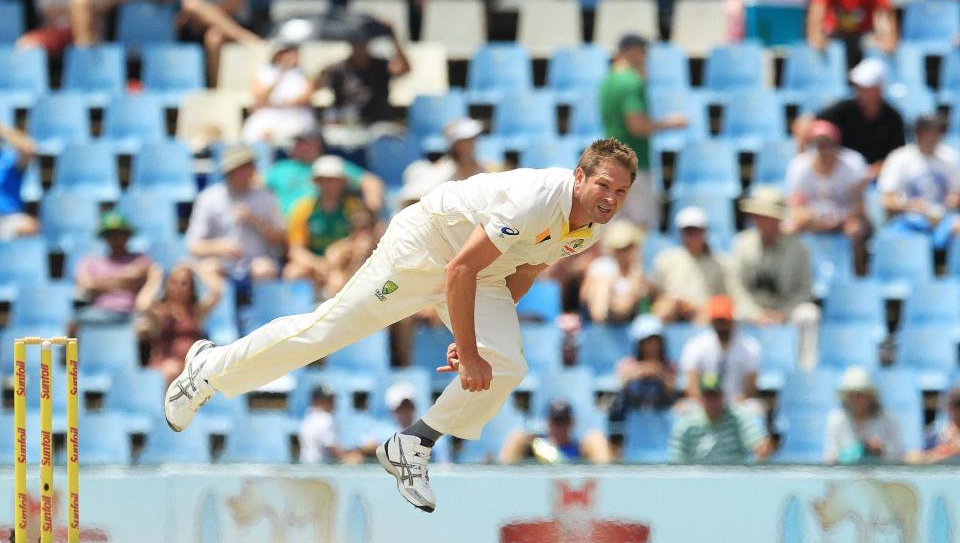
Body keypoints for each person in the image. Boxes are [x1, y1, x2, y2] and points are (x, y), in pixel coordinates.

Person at [163, 139, 638, 513]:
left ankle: (412, 443)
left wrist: (474, 338)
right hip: (424, 249)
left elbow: (524, 274)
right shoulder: (536, 200)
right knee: (324, 332)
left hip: (480, 269)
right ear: (579, 177)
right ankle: (207, 369)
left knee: (508, 364)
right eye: (603, 186)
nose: (610, 199)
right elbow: (457, 270)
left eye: (620, 192)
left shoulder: (589, 229)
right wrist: (468, 350)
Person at [599, 34, 687, 230]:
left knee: (614, 228)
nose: (646, 58)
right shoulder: (632, 82)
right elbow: (637, 125)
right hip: (634, 165)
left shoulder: (607, 81)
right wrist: (669, 123)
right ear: (632, 51)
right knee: (642, 227)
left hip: (611, 163)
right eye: (643, 52)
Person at [728, 187, 821, 370]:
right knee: (733, 315)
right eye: (759, 216)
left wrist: (783, 313)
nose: (762, 221)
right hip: (752, 309)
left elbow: (805, 290)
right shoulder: (741, 244)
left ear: (778, 219)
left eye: (768, 216)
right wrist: (757, 314)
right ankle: (740, 369)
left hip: (785, 309)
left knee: (809, 314)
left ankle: (806, 370)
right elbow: (735, 287)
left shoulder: (799, 248)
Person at [186, 145, 286, 285]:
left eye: (249, 166)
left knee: (265, 269)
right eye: (242, 167)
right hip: (221, 262)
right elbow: (194, 246)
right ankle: (218, 307)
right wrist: (221, 247)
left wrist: (255, 221)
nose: (248, 171)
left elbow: (281, 240)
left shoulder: (267, 197)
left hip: (256, 261)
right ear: (230, 171)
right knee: (209, 269)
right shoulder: (208, 198)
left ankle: (264, 306)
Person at [785, 119, 871, 274]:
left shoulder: (853, 163)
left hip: (844, 220)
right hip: (812, 221)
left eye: (827, 144)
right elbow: (796, 208)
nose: (823, 149)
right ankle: (796, 275)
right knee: (789, 229)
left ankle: (857, 276)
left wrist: (839, 220)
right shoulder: (799, 166)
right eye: (818, 144)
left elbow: (860, 206)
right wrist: (816, 220)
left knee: (855, 230)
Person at [795, 58, 905, 177]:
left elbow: (897, 158)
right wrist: (802, 160)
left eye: (865, 87)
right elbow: (804, 123)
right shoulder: (843, 109)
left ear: (878, 89)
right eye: (858, 86)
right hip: (843, 178)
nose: (859, 91)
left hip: (879, 179)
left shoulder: (893, 118)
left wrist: (872, 172)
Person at [283, 155, 366, 293]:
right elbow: (296, 249)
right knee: (293, 273)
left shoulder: (353, 208)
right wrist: (318, 264)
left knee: (337, 281)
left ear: (342, 182)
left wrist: (337, 254)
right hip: (314, 264)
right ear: (317, 182)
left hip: (344, 264)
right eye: (323, 180)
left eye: (333, 180)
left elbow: (361, 241)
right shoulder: (303, 208)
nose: (327, 185)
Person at [878, 114, 960, 249]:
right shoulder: (899, 158)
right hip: (908, 220)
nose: (934, 135)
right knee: (892, 238)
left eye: (938, 130)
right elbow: (887, 201)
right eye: (929, 130)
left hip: (943, 219)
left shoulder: (951, 157)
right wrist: (911, 206)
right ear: (918, 132)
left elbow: (956, 193)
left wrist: (953, 199)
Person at [265, 129, 384, 219]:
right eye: (297, 142)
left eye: (303, 142)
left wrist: (372, 214)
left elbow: (371, 182)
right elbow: (256, 184)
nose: (298, 146)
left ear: (317, 144)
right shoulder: (281, 168)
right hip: (287, 228)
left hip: (327, 224)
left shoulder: (332, 165)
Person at [137, 262, 224, 384]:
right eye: (173, 282)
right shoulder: (161, 312)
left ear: (191, 289)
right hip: (165, 367)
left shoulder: (196, 313)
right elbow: (142, 305)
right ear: (167, 285)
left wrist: (196, 268)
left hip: (191, 369)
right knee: (172, 370)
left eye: (184, 283)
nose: (178, 287)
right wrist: (155, 278)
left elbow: (217, 292)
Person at [74, 212, 162, 327]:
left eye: (120, 234)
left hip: (131, 315)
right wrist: (124, 281)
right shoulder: (91, 262)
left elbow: (141, 274)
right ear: (104, 237)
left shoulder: (140, 258)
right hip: (98, 314)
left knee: (147, 325)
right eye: (111, 235)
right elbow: (87, 286)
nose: (116, 239)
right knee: (74, 325)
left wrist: (101, 285)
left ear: (128, 236)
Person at [668, 372, 772, 464]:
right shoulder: (685, 425)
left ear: (723, 396)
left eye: (715, 395)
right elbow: (677, 460)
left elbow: (760, 447)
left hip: (734, 479)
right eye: (708, 396)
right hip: (697, 481)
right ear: (700, 398)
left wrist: (762, 449)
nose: (712, 401)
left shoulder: (740, 418)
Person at [319, 25, 410, 126]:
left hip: (378, 124)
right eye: (356, 43)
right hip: (349, 124)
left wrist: (392, 36)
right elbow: (318, 82)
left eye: (362, 43)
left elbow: (404, 68)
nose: (359, 48)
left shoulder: (381, 66)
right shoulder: (339, 68)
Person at [679, 295, 761, 408]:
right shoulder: (696, 346)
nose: (721, 325)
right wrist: (708, 405)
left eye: (724, 320)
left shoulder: (750, 347)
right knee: (683, 408)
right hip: (705, 403)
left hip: (737, 404)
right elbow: (692, 384)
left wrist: (738, 401)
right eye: (717, 321)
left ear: (732, 320)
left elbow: (750, 387)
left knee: (754, 408)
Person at [650, 207, 727, 323]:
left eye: (696, 231)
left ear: (704, 232)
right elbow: (654, 293)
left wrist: (696, 307)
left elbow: (725, 298)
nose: (692, 236)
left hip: (704, 312)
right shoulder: (666, 259)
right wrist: (673, 302)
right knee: (662, 310)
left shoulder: (720, 263)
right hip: (673, 309)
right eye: (688, 231)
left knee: (708, 316)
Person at [398, 118, 491, 207]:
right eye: (466, 140)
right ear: (455, 144)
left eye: (473, 138)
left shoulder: (486, 168)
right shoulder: (441, 171)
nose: (472, 142)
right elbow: (409, 199)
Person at [241, 43, 318, 148]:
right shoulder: (263, 71)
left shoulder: (304, 73)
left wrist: (281, 104)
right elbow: (260, 97)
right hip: (269, 116)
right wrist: (280, 74)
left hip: (295, 116)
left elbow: (307, 97)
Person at [824, 366, 903, 464]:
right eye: (853, 394)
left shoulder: (888, 418)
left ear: (870, 396)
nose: (857, 399)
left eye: (861, 394)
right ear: (846, 397)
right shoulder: (836, 419)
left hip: (880, 476)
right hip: (845, 476)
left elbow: (899, 455)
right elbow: (830, 456)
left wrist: (882, 449)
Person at [500, 398, 612, 465]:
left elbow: (596, 448)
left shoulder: (581, 449)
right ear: (548, 422)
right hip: (537, 488)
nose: (560, 426)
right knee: (517, 435)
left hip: (573, 485)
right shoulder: (536, 447)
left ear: (572, 423)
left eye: (564, 421)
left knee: (595, 437)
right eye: (556, 421)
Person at [609, 315, 675, 428]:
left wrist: (658, 373)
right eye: (647, 341)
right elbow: (621, 383)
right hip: (630, 420)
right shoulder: (626, 364)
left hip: (660, 421)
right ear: (639, 343)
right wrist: (641, 371)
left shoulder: (669, 366)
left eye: (655, 341)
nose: (652, 346)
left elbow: (671, 389)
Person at [579, 219, 649, 324]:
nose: (626, 253)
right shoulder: (601, 266)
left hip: (626, 318)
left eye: (629, 247)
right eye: (621, 249)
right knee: (603, 282)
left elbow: (634, 300)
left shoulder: (637, 271)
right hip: (597, 318)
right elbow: (584, 296)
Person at [0, 124, 39, 240]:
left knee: (28, 226)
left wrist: (3, 130)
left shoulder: (9, 159)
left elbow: (29, 148)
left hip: (9, 219)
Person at [906, 386, 960, 465]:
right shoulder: (938, 433)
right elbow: (911, 458)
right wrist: (945, 451)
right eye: (957, 405)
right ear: (949, 407)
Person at [298, 385, 343, 464]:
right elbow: (332, 449)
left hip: (305, 467)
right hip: (320, 469)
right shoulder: (325, 419)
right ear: (317, 401)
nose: (333, 403)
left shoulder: (308, 418)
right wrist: (354, 454)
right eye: (328, 400)